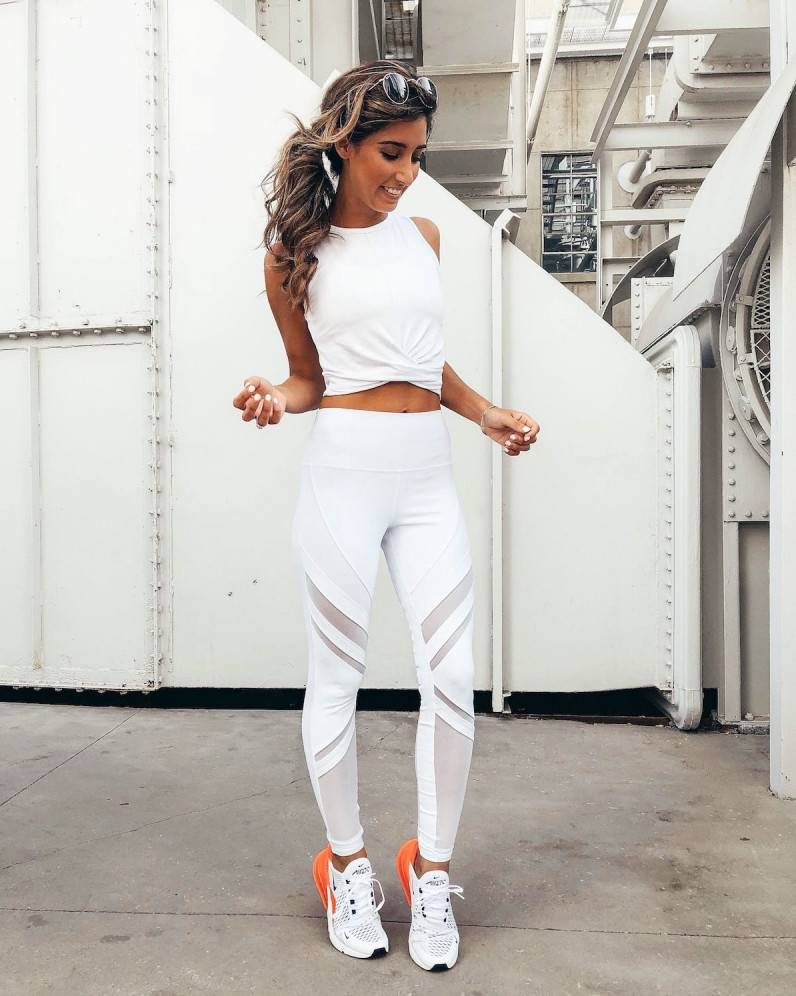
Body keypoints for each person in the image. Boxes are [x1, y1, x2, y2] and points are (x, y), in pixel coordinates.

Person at [232, 60, 540, 971]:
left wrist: (484, 413)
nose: (406, 174)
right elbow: (309, 377)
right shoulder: (295, 255)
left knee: (454, 675)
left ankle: (430, 869)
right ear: (344, 144)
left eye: (417, 156)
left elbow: (419, 359)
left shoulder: (426, 237)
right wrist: (273, 399)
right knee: (338, 673)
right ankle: (348, 866)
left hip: (426, 476)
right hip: (344, 474)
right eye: (391, 153)